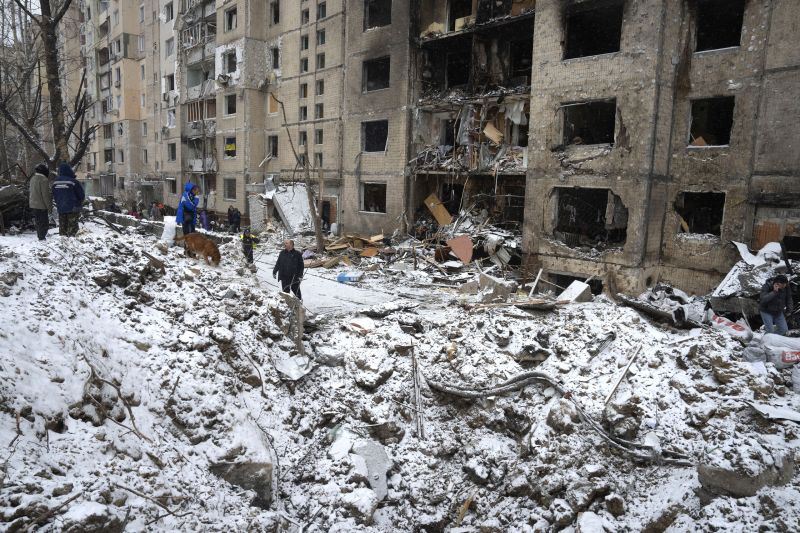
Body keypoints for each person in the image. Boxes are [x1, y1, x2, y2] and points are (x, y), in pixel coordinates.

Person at [52, 162, 85, 237]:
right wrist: (79, 203)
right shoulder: (73, 182)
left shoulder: (55, 182)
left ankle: (63, 244)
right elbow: (81, 195)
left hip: (61, 208)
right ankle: (72, 244)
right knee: (72, 229)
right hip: (73, 208)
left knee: (62, 228)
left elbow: (54, 195)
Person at [29, 163, 52, 241]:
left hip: (33, 204)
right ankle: (42, 239)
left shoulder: (33, 178)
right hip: (41, 206)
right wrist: (49, 208)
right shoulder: (44, 180)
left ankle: (40, 237)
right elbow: (45, 195)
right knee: (44, 223)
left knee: (38, 222)